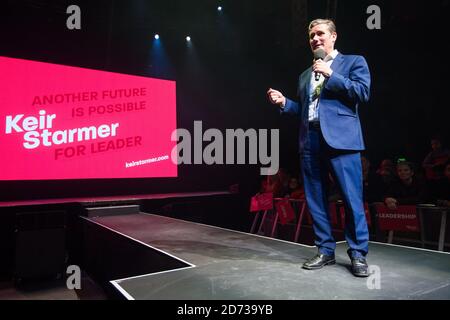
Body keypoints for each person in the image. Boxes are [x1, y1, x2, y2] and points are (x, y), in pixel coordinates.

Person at [267, 19, 371, 277]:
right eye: (311, 35)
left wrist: (330, 74)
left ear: (333, 36)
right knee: (315, 200)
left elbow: (362, 92)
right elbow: (305, 111)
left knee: (351, 198)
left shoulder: (354, 62)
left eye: (320, 33)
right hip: (310, 140)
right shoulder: (305, 75)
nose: (315, 39)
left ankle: (358, 253)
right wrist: (284, 103)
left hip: (342, 141)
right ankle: (325, 250)